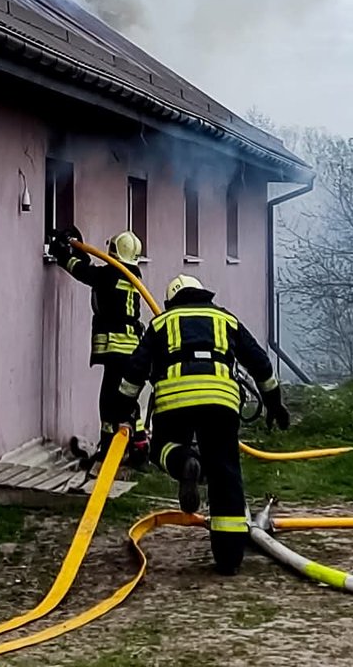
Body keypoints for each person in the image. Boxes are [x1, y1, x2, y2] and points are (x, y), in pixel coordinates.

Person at [116, 273, 290, 574]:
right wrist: (274, 403)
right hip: (220, 401)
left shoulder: (161, 324)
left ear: (171, 302)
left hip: (175, 401)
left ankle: (184, 462)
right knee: (224, 470)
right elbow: (260, 361)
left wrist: (122, 410)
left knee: (163, 447)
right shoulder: (225, 320)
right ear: (203, 295)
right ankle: (229, 557)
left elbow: (135, 371)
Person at [47, 225, 151, 467]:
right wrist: (78, 249)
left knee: (109, 399)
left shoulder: (111, 275)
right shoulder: (131, 274)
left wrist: (62, 255)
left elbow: (85, 273)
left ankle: (107, 446)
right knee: (127, 399)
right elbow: (97, 273)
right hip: (132, 346)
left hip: (116, 347)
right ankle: (139, 447)